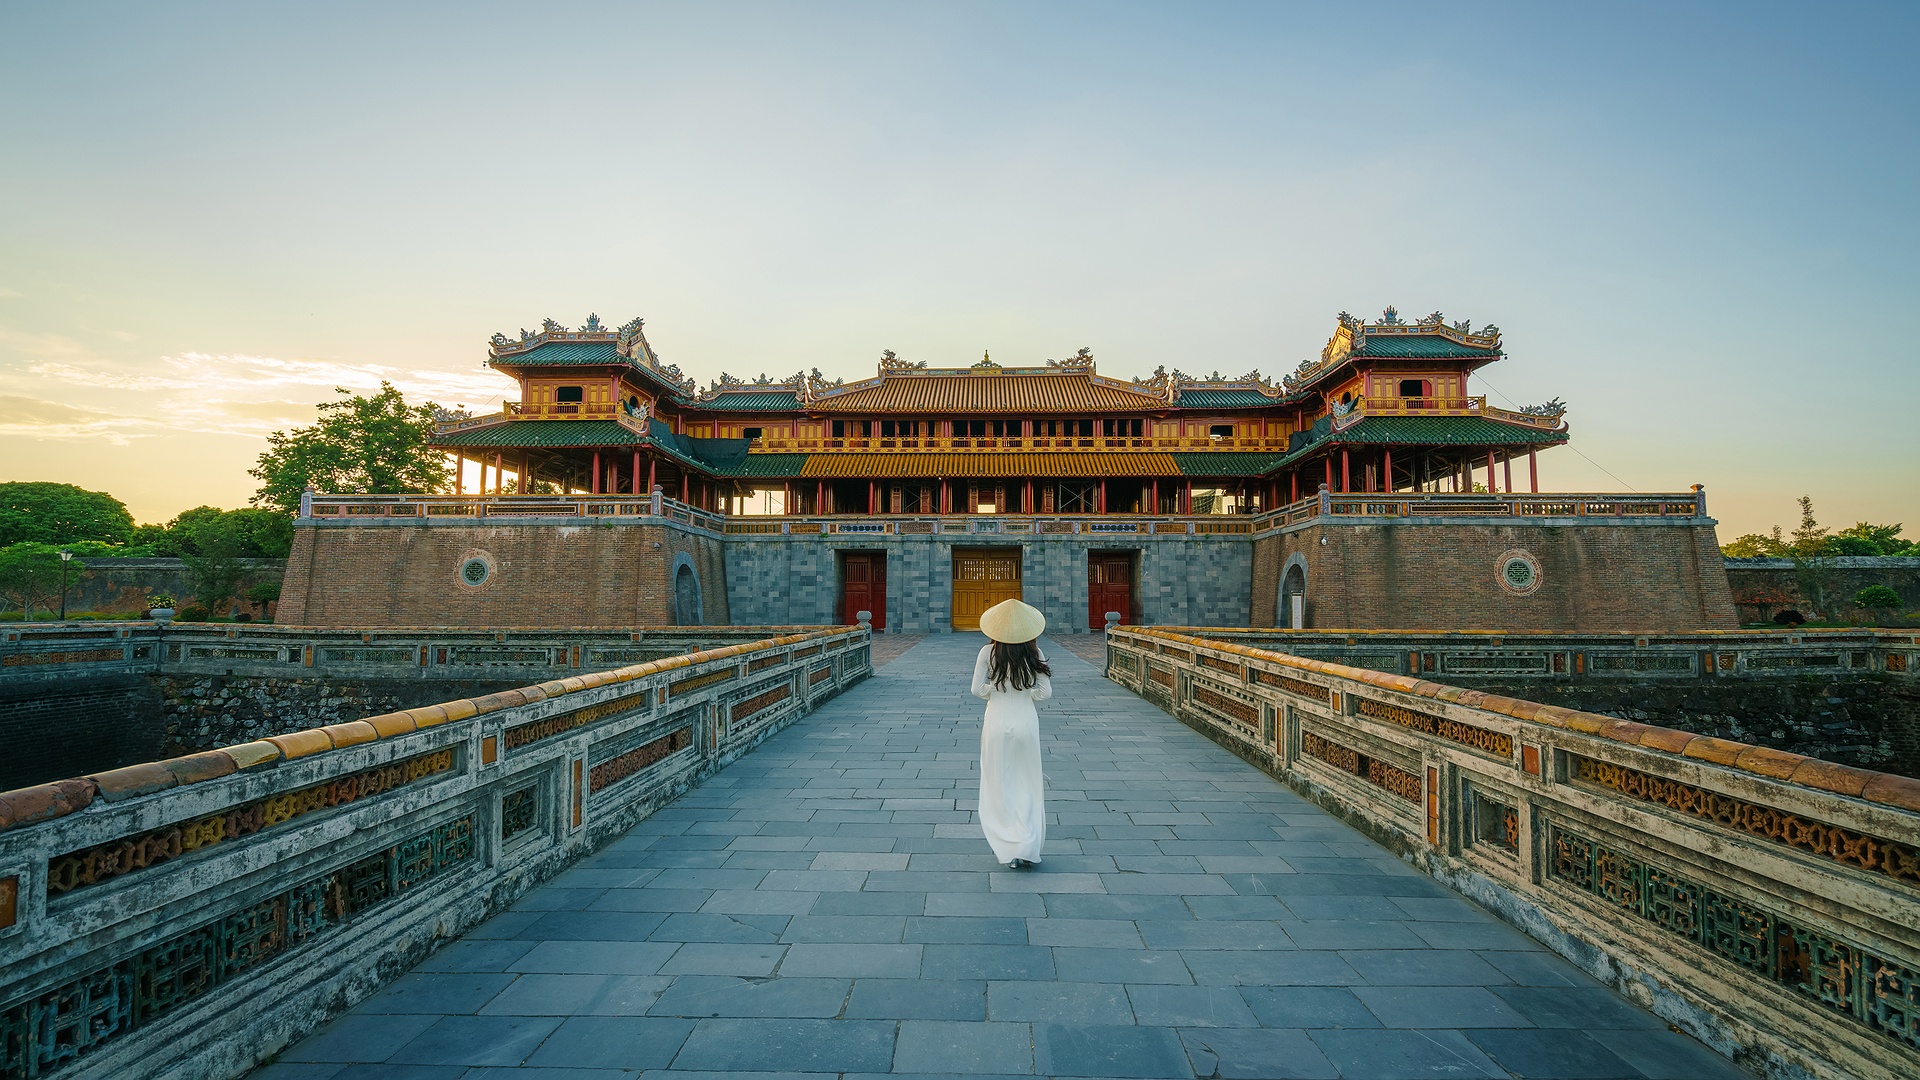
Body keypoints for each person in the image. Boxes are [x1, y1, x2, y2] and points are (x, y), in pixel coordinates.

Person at [971, 598, 1053, 869]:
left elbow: (976, 689)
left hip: (996, 720)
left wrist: (994, 691)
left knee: (1000, 782)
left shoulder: (987, 652)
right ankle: (1028, 844)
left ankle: (1009, 845)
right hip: (1026, 722)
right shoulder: (1035, 653)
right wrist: (1026, 692)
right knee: (1027, 783)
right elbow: (1045, 693)